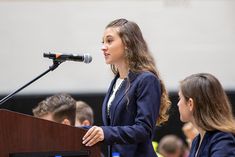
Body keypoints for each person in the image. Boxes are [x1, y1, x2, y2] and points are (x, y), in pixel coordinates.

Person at [82, 18, 171, 157]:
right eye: (103, 42)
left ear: (128, 44)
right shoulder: (117, 81)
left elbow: (143, 129)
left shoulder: (147, 80)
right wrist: (73, 130)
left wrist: (104, 132)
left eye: (109, 41)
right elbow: (113, 127)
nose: (103, 47)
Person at [178, 73, 235, 157]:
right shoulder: (196, 141)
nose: (178, 104)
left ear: (190, 103)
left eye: (180, 98)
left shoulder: (222, 139)